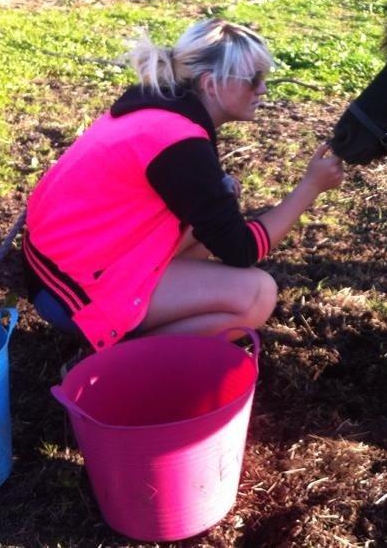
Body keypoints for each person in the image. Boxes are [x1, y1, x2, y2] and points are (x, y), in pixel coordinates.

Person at [22, 18, 344, 351]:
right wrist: (310, 186)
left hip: (55, 269)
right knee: (257, 295)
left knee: (206, 228)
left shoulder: (157, 106)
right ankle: (117, 364)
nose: (262, 89)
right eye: (253, 79)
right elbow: (242, 250)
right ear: (210, 84)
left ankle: (130, 337)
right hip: (73, 292)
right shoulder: (180, 142)